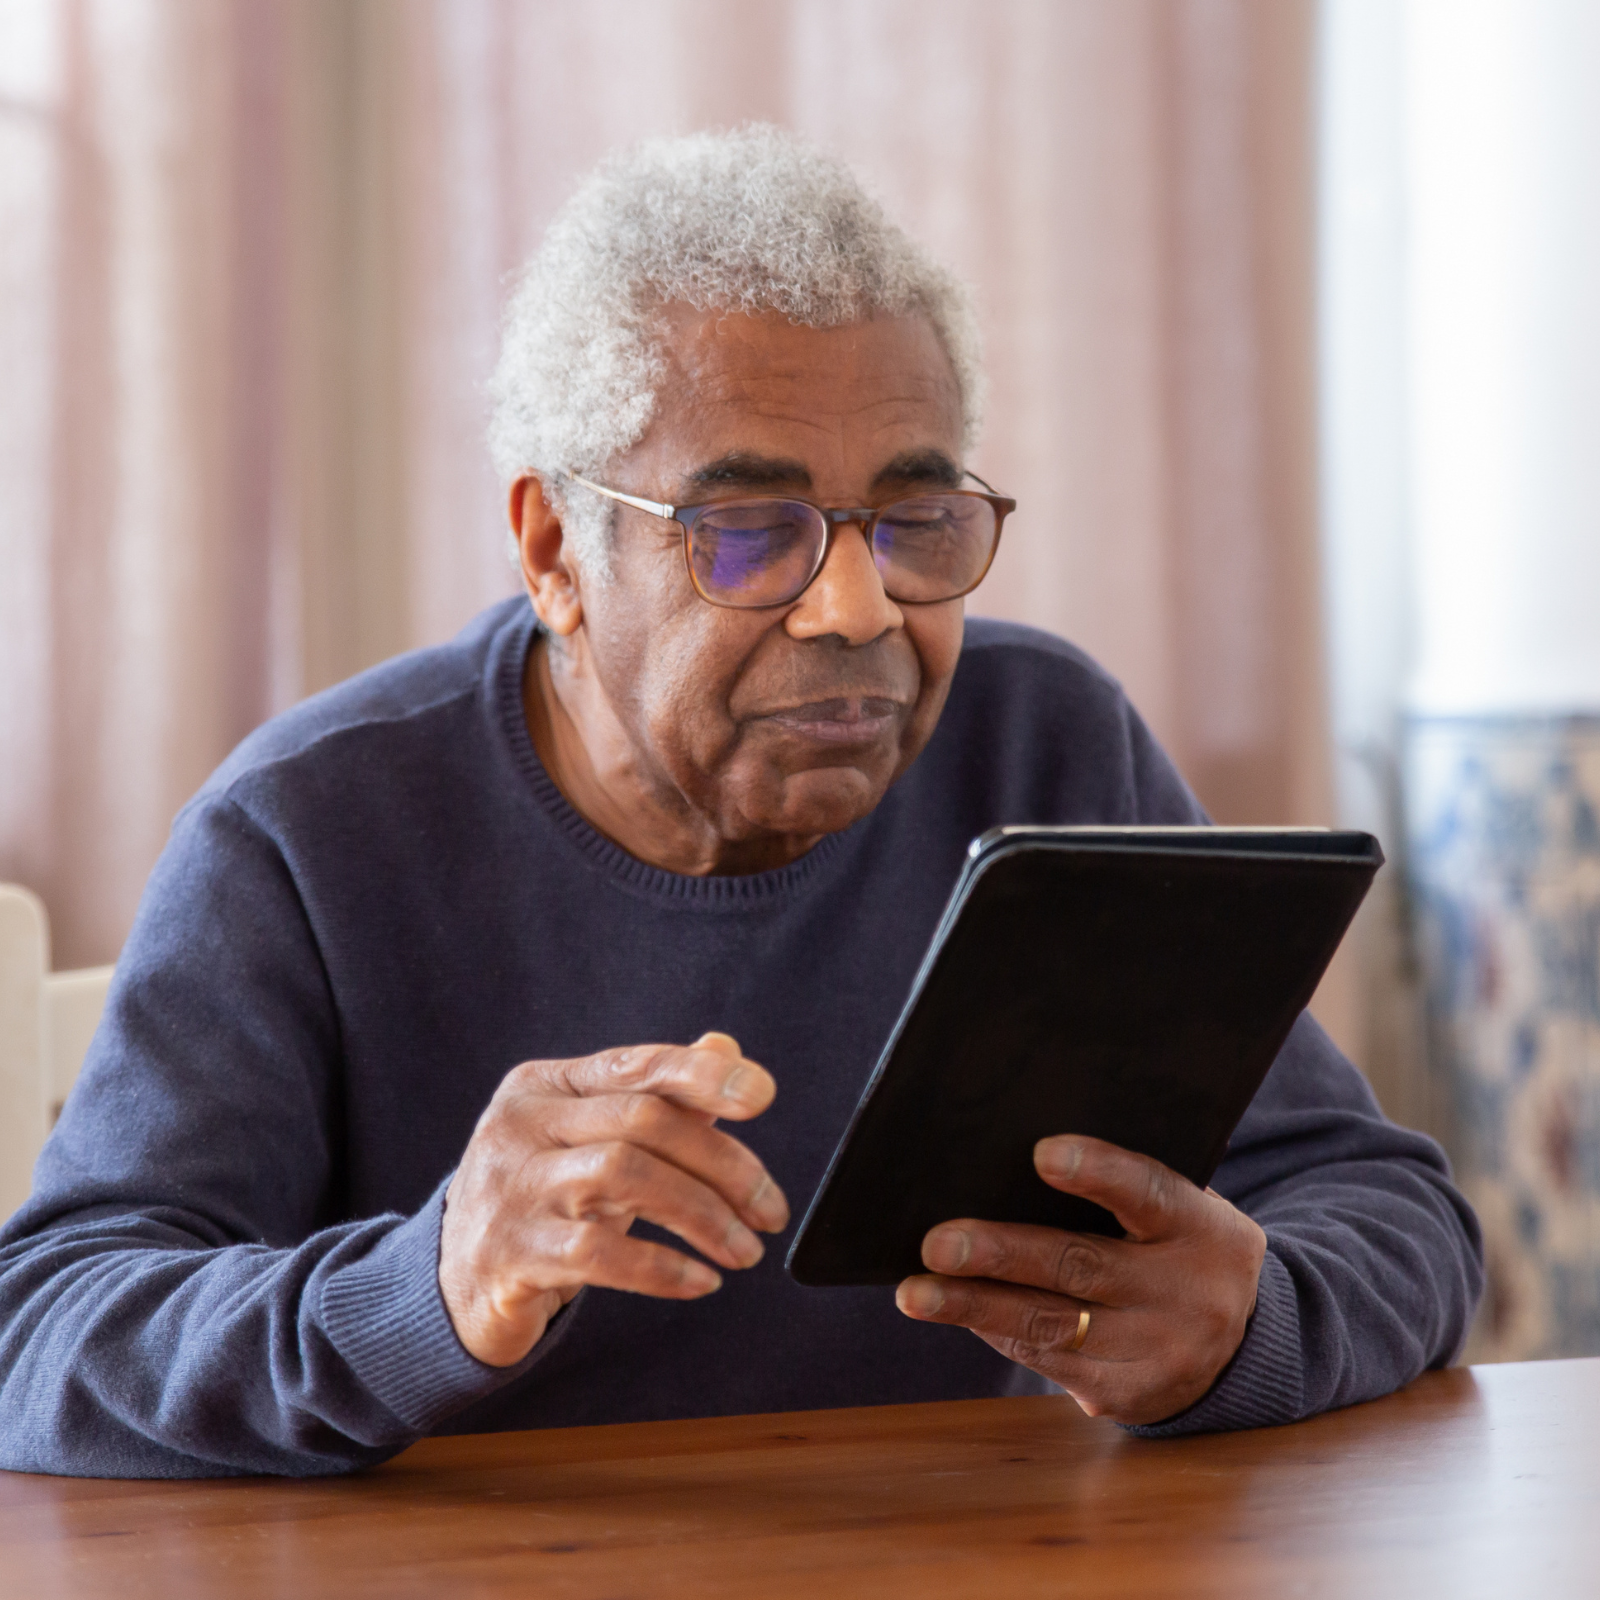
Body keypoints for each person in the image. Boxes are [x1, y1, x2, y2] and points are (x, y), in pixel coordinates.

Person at [0, 127, 1481, 1479]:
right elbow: (40, 1339)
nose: (856, 607)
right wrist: (430, 1288)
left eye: (913, 522)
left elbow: (1393, 1214)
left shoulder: (1047, 745)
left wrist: (1251, 1325)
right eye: (747, 533)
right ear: (555, 553)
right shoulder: (311, 832)